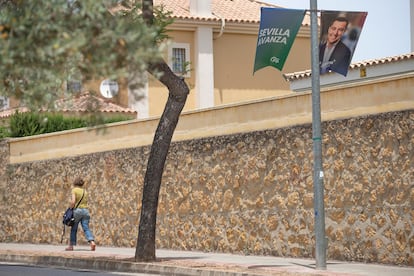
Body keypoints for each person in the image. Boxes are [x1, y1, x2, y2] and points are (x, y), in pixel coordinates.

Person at [65, 177, 96, 251]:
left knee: (74, 229)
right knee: (86, 228)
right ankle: (92, 241)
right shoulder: (85, 191)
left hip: (77, 211)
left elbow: (73, 201)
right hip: (85, 211)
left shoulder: (74, 190)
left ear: (75, 183)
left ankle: (71, 246)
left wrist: (70, 208)